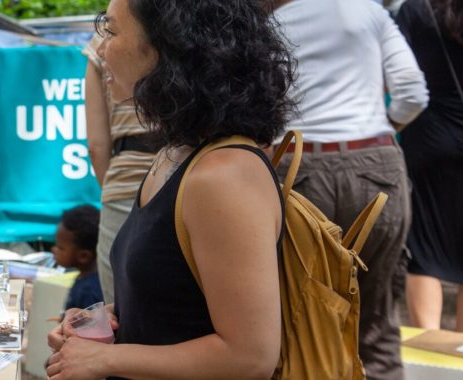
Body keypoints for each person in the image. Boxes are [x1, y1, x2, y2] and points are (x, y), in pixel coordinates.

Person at [46, 0, 293, 378]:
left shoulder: (223, 174)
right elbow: (174, 307)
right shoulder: (175, 154)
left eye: (111, 31)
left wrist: (105, 360)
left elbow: (249, 357)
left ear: (166, 46)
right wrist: (101, 324)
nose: (100, 47)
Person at [273, 1, 427, 377]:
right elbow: (412, 92)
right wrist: (378, 130)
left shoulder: (271, 19)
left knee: (299, 319)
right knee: (376, 323)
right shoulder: (369, 11)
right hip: (377, 164)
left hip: (300, 169)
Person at [397, 0, 463, 332]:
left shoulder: (416, 10)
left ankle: (430, 356)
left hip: (430, 140)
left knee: (426, 252)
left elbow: (398, 76)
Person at [82, 32, 156, 304]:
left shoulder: (100, 40)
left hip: (126, 176)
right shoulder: (191, 19)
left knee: (120, 309)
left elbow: (97, 146)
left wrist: (113, 189)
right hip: (197, 168)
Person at [53, 205, 102, 311]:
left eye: (60, 248)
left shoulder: (88, 292)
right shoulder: (84, 278)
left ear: (83, 256)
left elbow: (90, 325)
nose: (54, 250)